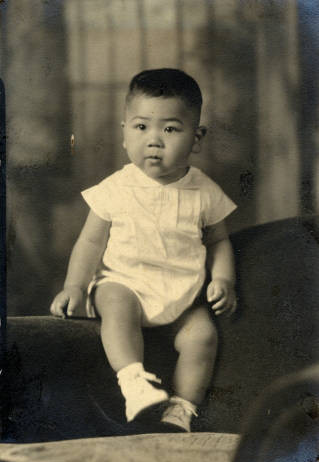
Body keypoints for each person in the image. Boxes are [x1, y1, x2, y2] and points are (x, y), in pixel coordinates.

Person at [50, 68, 237, 433]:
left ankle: (182, 407)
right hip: (125, 282)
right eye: (141, 128)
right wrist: (74, 286)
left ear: (196, 138)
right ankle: (133, 380)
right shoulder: (115, 188)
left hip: (181, 292)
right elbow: (90, 242)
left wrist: (224, 279)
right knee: (116, 305)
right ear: (123, 135)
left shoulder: (205, 191)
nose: (154, 141)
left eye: (170, 129)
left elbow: (218, 241)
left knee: (202, 336)